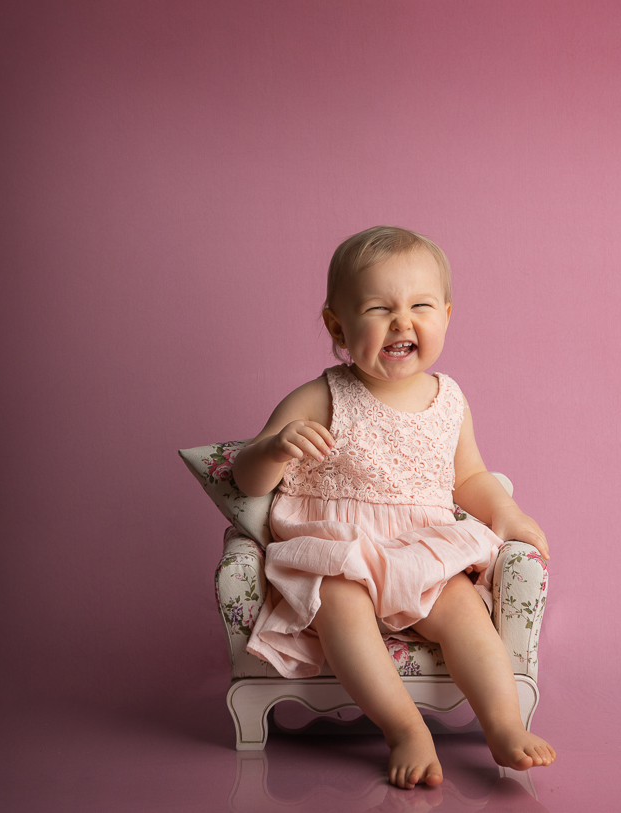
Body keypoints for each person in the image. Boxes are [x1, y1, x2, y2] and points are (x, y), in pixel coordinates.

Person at [231, 225, 556, 789]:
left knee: (463, 611)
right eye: (379, 308)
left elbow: (470, 477)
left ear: (447, 316)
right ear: (338, 325)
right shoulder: (322, 395)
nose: (402, 322)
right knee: (340, 603)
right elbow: (245, 477)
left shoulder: (449, 400)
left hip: (419, 547)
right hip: (341, 548)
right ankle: (405, 728)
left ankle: (502, 723)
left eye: (420, 306)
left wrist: (507, 515)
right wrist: (274, 448)